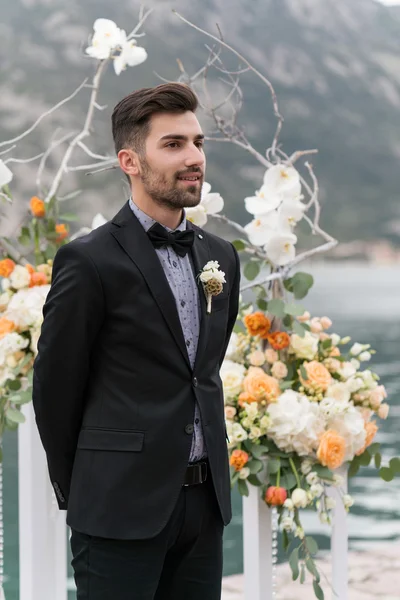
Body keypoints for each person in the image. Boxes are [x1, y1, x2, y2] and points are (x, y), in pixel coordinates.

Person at [32, 82, 240, 600]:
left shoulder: (221, 256)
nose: (194, 158)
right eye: (173, 145)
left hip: (204, 509)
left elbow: (202, 372)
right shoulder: (89, 260)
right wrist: (85, 489)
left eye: (198, 143)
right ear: (130, 160)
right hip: (118, 508)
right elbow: (54, 389)